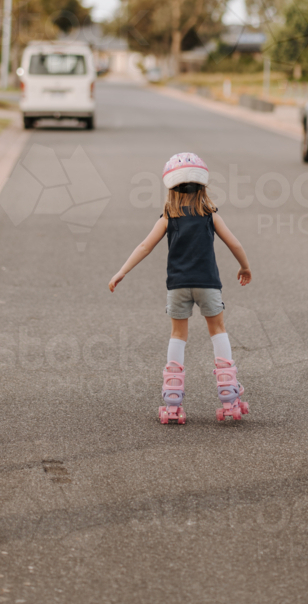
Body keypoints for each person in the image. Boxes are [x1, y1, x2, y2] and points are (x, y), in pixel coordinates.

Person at [109, 152, 252, 423]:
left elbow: (145, 246)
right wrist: (245, 267)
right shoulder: (210, 214)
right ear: (203, 187)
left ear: (170, 189)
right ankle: (229, 397)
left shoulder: (168, 216)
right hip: (208, 284)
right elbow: (234, 243)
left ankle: (172, 403)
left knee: (178, 336)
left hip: (178, 286)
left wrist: (122, 271)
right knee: (218, 331)